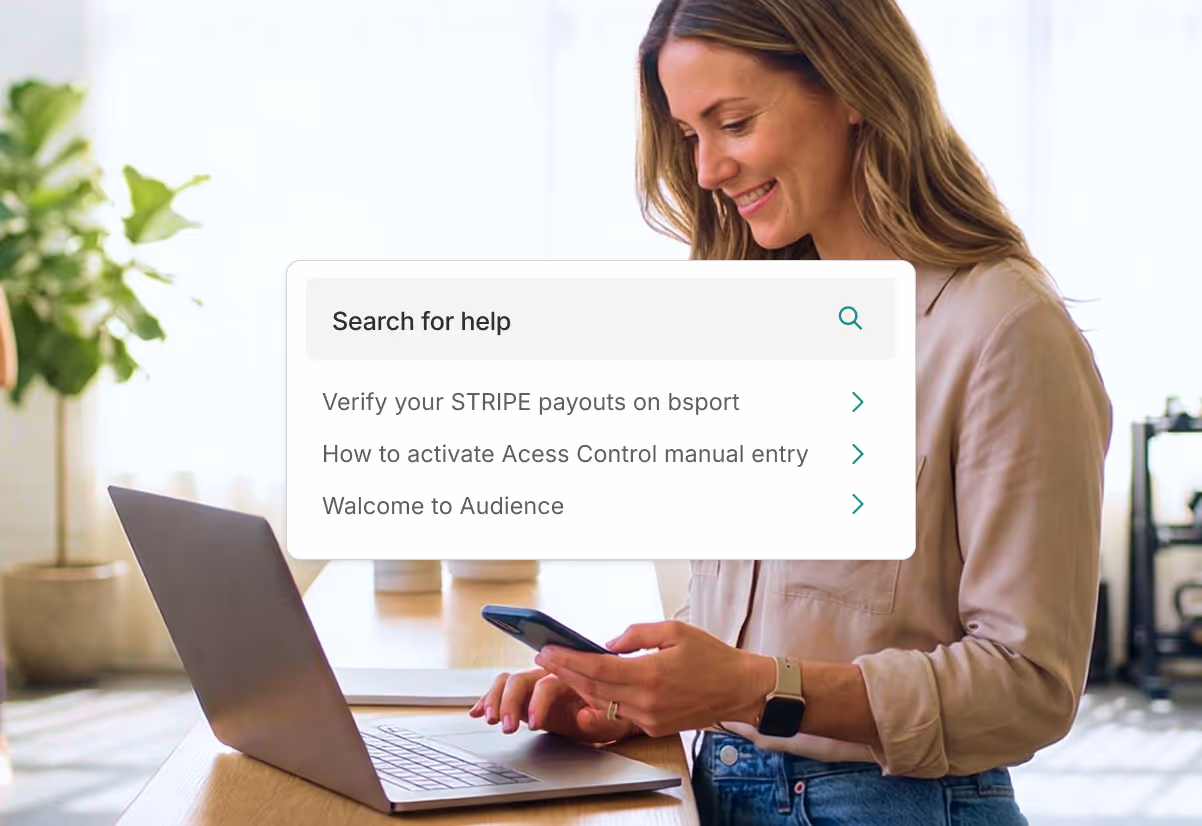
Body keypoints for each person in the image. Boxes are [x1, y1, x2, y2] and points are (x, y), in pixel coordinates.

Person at [470, 0, 1111, 823]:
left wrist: (756, 688)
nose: (705, 170)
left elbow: (1031, 687)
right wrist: (624, 698)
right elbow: (765, 626)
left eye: (732, 122)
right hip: (715, 790)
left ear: (850, 86)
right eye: (691, 136)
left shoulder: (1003, 328)